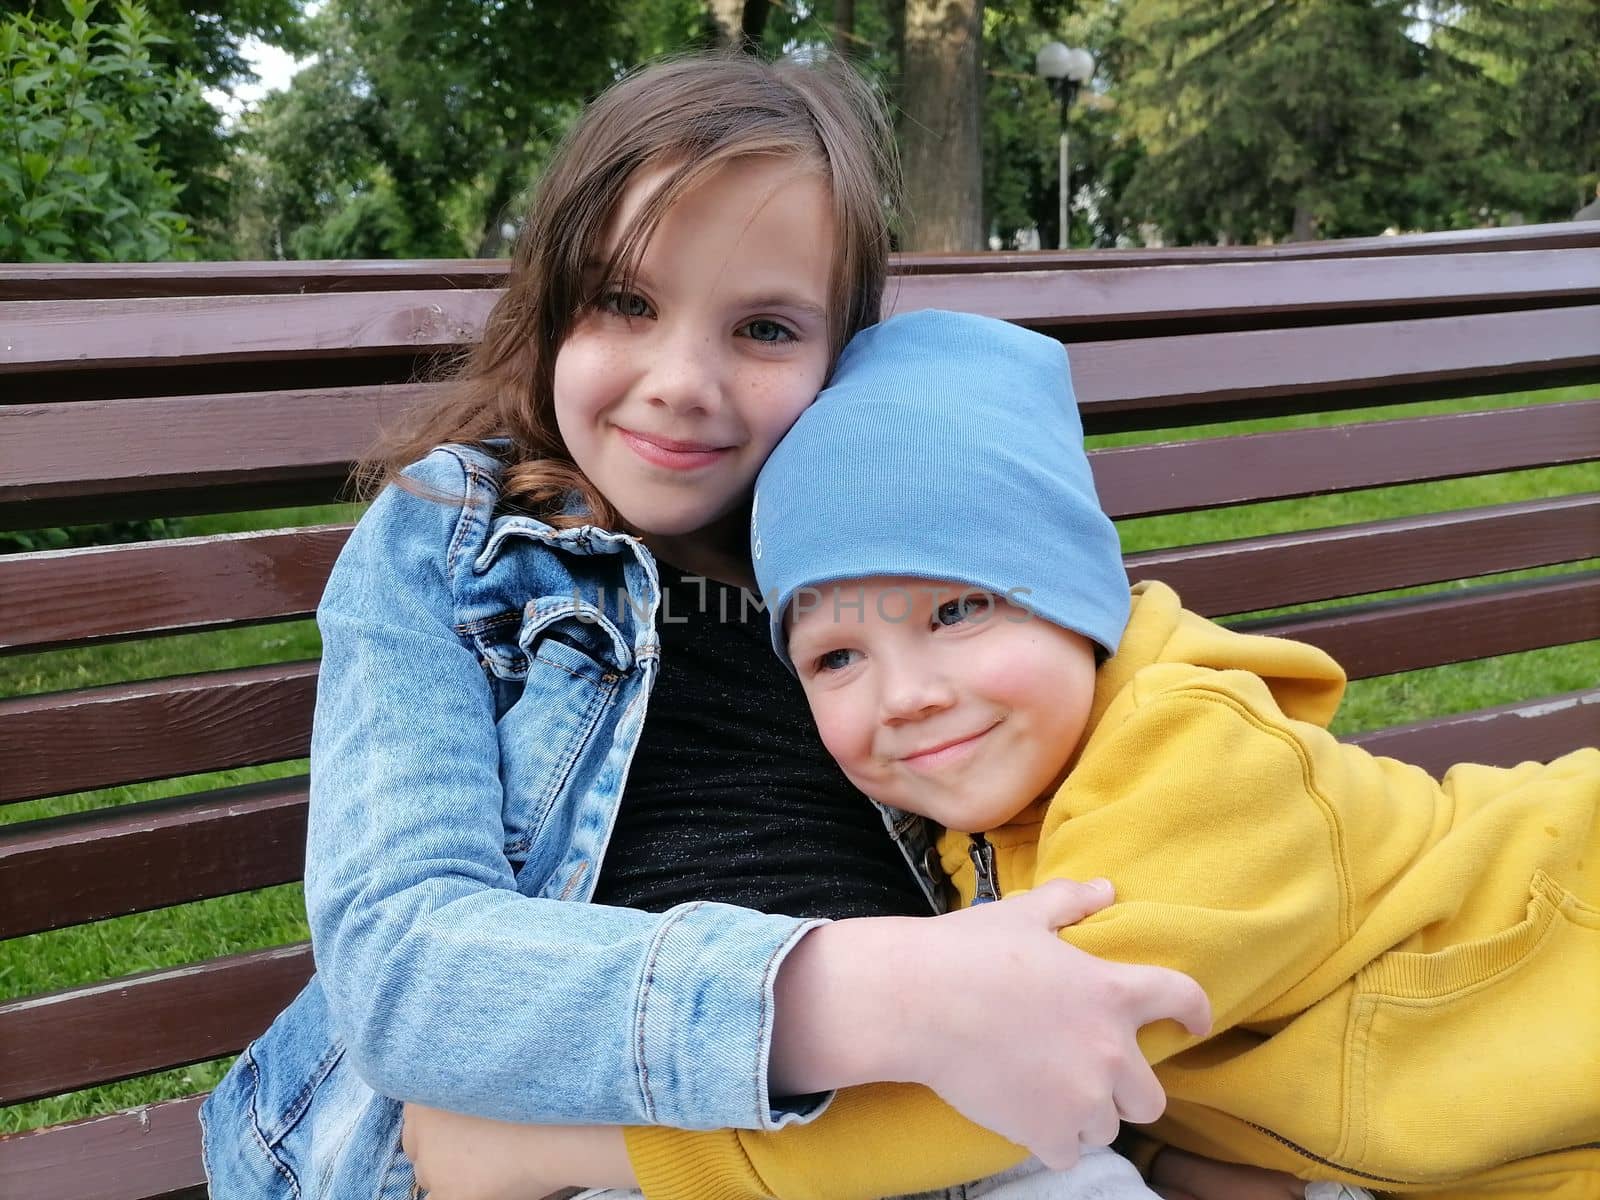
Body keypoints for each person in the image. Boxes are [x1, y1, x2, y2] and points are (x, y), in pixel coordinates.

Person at [199, 56, 1211, 1200]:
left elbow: (1114, 801)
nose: (681, 380)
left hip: (923, 1124)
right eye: (627, 302)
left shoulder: (899, 550)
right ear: (548, 304)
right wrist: (867, 993)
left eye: (765, 329)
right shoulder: (454, 542)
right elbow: (401, 972)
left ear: (843, 354)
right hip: (573, 1142)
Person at [469, 310, 1599, 1200]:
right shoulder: (978, 820)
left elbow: (1003, 1087)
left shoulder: (1192, 759)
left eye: (959, 610)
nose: (906, 696)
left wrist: (559, 1152)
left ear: (1075, 600)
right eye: (835, 657)